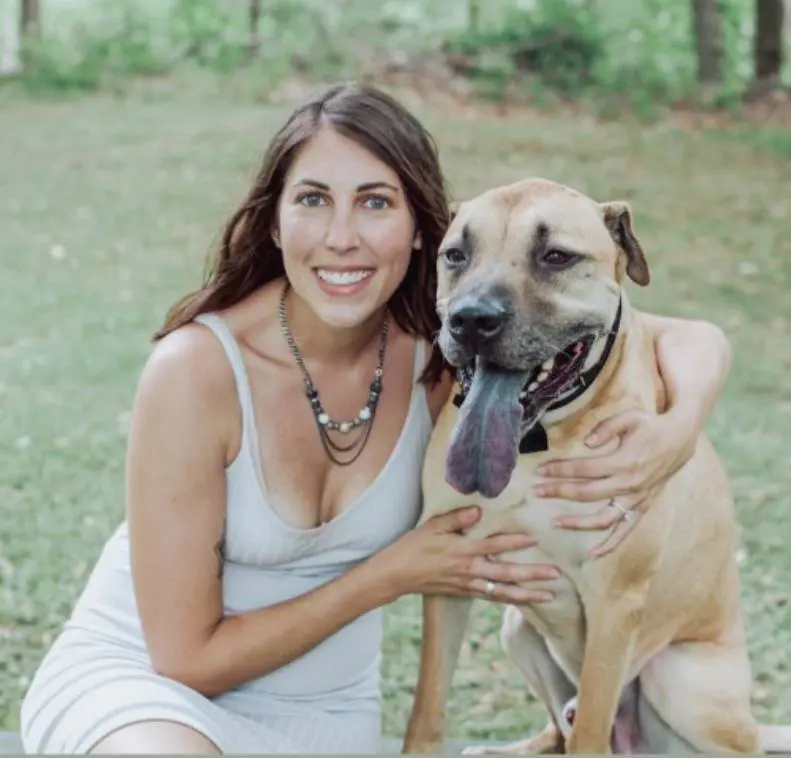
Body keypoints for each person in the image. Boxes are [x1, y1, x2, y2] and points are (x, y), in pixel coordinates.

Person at [19, 82, 732, 756]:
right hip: (148, 693)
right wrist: (389, 574)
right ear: (273, 221)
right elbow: (185, 657)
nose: (341, 237)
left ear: (420, 231)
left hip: (327, 720)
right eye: (311, 199)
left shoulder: (446, 354)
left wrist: (676, 430)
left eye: (373, 203)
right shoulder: (195, 371)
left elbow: (680, 334)